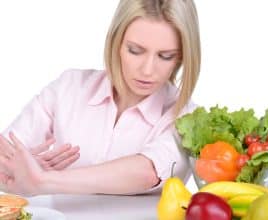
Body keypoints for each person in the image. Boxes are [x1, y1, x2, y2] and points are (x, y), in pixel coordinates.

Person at [0, 0, 200, 196]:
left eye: (166, 56)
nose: (148, 70)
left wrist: (41, 180)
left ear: (182, 57)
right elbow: (5, 156)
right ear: (116, 43)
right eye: (135, 51)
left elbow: (147, 172)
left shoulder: (188, 118)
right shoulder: (70, 87)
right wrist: (19, 172)